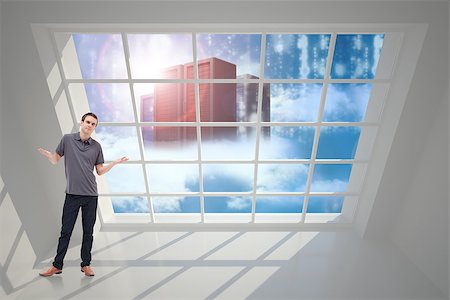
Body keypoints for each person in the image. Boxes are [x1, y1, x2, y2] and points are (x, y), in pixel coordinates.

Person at [38, 112, 128, 277]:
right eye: (88, 122)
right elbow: (55, 160)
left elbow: (99, 171)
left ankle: (85, 264)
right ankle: (57, 266)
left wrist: (114, 163)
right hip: (72, 195)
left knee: (88, 232)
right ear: (81, 122)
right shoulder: (67, 140)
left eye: (93, 124)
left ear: (94, 128)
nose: (90, 126)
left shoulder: (97, 147)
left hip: (90, 196)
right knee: (66, 231)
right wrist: (49, 156)